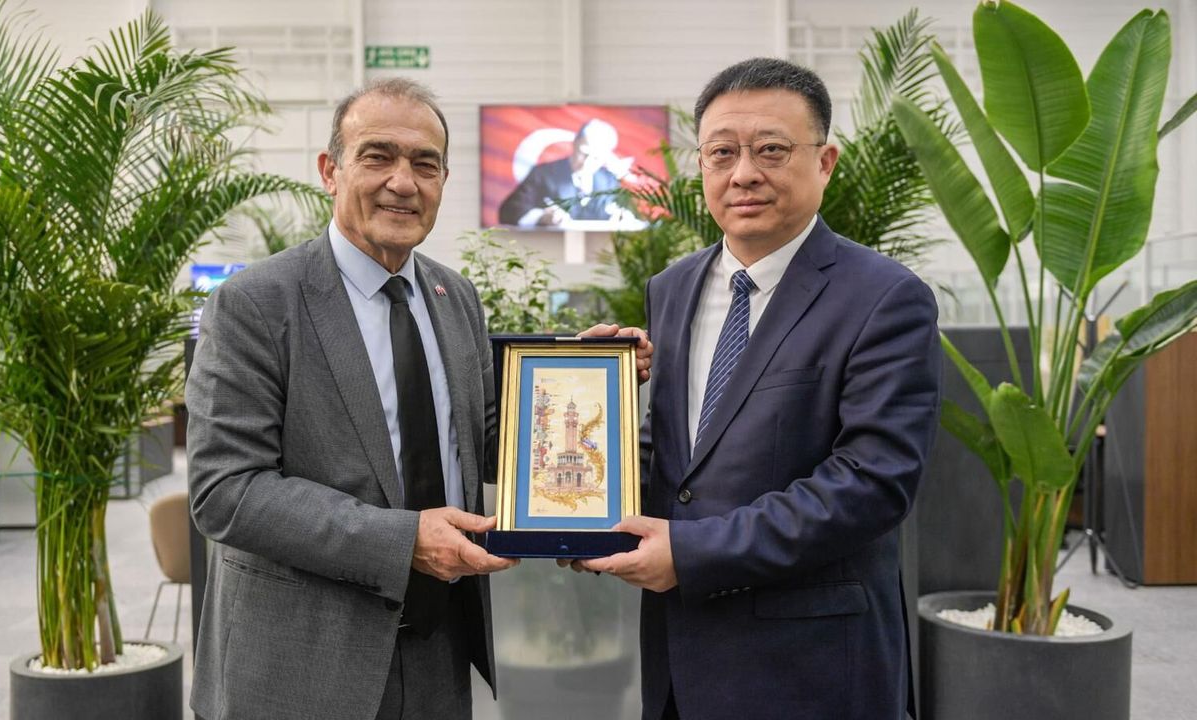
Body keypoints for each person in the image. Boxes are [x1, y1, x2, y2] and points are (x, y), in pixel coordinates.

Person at [186, 77, 651, 720]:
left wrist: (583, 375)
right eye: (378, 156)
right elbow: (226, 490)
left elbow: (487, 439)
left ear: (443, 181)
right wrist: (403, 541)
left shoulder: (453, 297)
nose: (403, 182)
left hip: (440, 650)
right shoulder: (256, 304)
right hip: (304, 663)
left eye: (425, 164)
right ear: (330, 171)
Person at [576, 58, 942, 720]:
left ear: (825, 162)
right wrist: (583, 470)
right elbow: (678, 455)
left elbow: (871, 482)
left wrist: (691, 553)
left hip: (810, 667)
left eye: (771, 149)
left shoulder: (885, 298)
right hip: (680, 658)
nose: (743, 172)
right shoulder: (672, 288)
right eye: (722, 153)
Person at [497, 118, 638, 228]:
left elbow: (631, 213)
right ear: (575, 143)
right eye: (584, 153)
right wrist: (541, 217)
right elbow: (508, 211)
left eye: (596, 158)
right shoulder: (543, 174)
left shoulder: (609, 181)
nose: (587, 163)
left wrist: (625, 217)